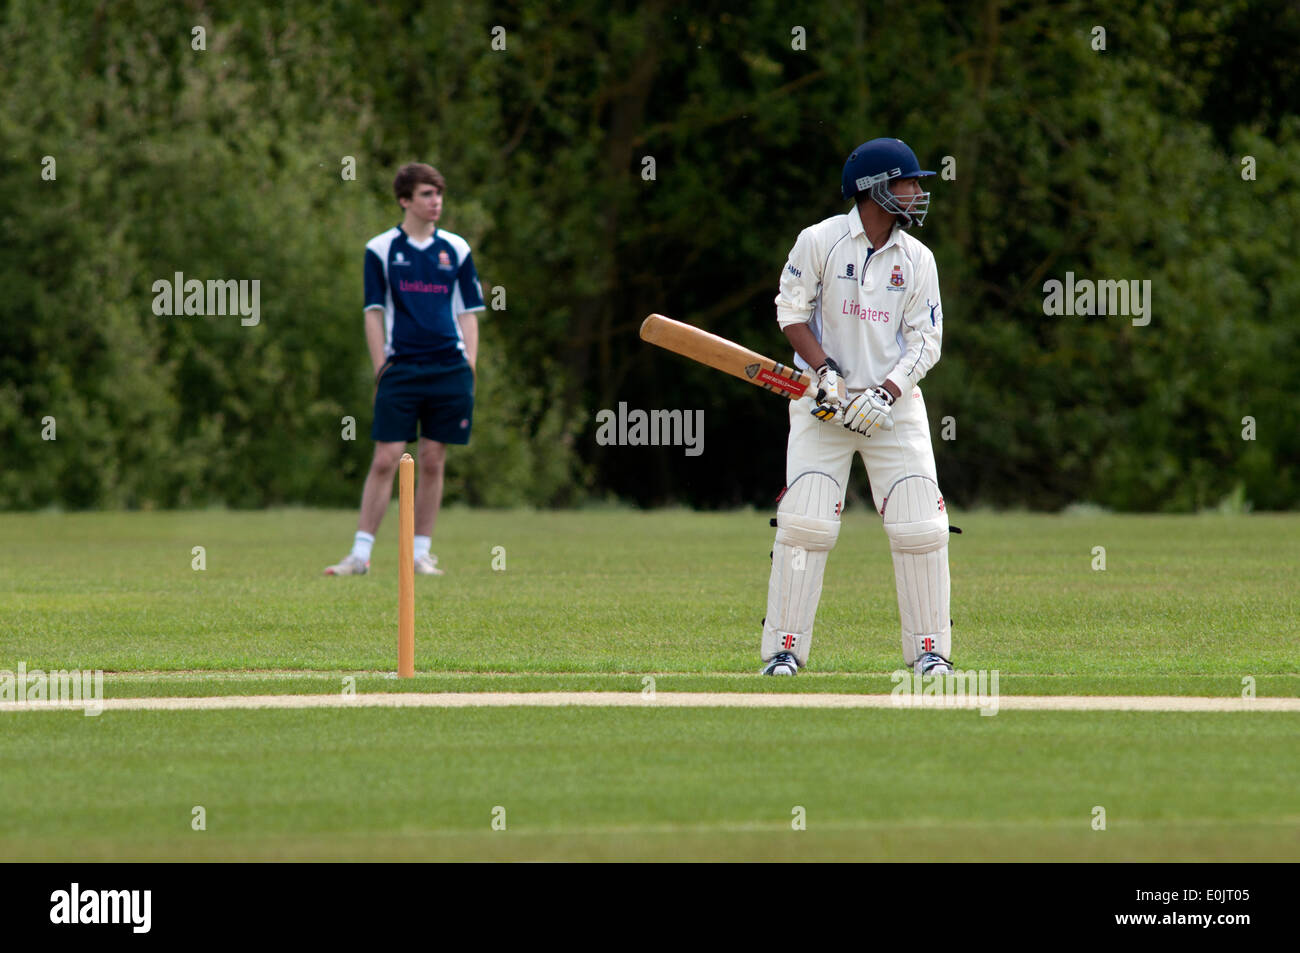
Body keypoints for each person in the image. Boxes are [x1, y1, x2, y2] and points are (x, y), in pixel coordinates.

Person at [760, 138, 954, 677]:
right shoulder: (819, 241)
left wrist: (885, 393)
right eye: (908, 183)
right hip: (823, 405)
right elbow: (791, 313)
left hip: (894, 410)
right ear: (874, 189)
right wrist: (824, 373)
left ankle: (930, 652)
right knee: (806, 522)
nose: (917, 194)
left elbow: (926, 342)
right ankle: (785, 650)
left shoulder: (918, 259)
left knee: (921, 526)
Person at [325, 162, 485, 576]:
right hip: (402, 367)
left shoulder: (457, 249)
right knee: (387, 458)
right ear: (405, 200)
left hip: (449, 367)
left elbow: (469, 312)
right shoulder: (380, 250)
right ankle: (360, 555)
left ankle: (419, 553)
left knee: (433, 458)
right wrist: (382, 369)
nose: (436, 203)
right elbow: (373, 313)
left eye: (439, 194)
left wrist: (469, 366)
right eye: (427, 195)